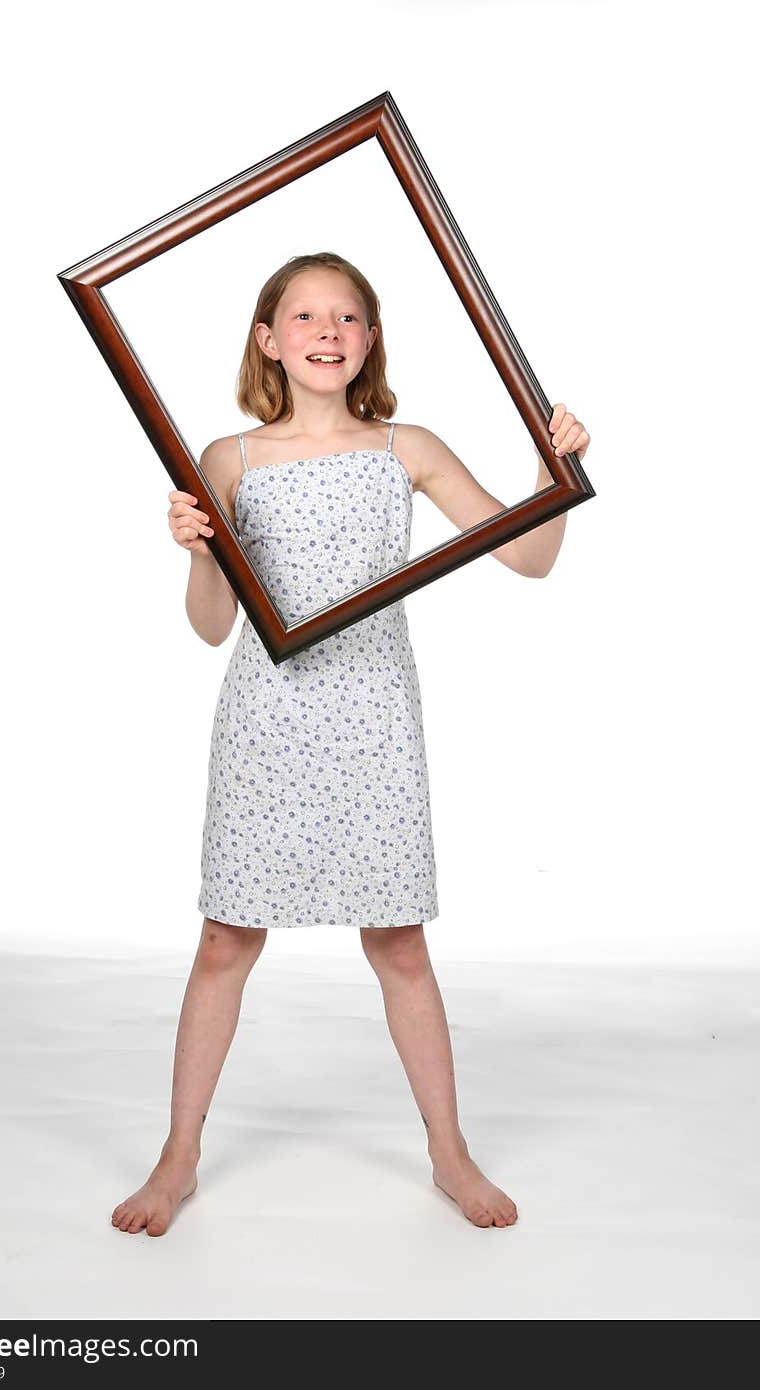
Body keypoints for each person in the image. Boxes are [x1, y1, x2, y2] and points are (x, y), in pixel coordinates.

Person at [111, 251, 591, 1237]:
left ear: (368, 339)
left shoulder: (403, 447)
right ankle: (178, 1156)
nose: (327, 332)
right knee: (225, 936)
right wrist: (199, 548)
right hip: (267, 721)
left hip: (374, 719)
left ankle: (448, 1152)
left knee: (398, 940)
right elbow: (210, 624)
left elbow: (528, 555)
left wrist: (560, 472)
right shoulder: (229, 459)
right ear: (267, 337)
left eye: (347, 317)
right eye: (304, 316)